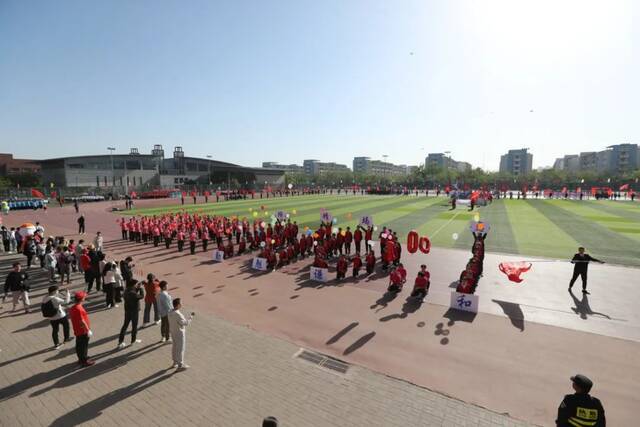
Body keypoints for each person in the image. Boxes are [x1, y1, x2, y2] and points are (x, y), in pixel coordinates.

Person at [68, 291, 94, 367]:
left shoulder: (73, 307)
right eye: (84, 297)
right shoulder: (79, 308)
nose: (85, 298)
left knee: (79, 345)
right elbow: (81, 321)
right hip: (82, 331)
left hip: (77, 330)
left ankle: (81, 358)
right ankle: (84, 360)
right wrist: (87, 330)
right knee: (83, 345)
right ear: (81, 299)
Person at [117, 279, 145, 349]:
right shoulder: (133, 293)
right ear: (133, 284)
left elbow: (134, 291)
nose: (136, 285)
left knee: (125, 325)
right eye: (136, 284)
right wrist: (141, 289)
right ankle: (133, 340)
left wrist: (137, 288)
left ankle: (121, 341)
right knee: (134, 326)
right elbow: (141, 296)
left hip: (127, 310)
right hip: (134, 311)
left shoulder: (127, 290)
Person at [168, 298, 192, 370]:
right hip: (179, 333)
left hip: (173, 332)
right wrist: (190, 318)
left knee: (175, 347)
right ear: (178, 305)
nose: (182, 304)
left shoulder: (170, 311)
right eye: (181, 303)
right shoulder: (178, 314)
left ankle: (175, 362)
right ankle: (180, 364)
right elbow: (185, 323)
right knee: (180, 348)